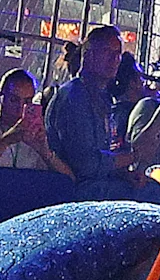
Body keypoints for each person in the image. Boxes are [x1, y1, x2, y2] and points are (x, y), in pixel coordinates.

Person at [46, 24, 128, 182]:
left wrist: (122, 174)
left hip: (97, 188)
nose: (115, 60)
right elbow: (86, 165)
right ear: (88, 56)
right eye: (107, 52)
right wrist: (132, 156)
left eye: (118, 53)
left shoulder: (103, 97)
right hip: (74, 191)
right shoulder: (74, 97)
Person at [0, 67, 71, 173]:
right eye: (14, 100)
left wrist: (45, 152)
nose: (20, 108)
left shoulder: (35, 138)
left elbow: (69, 181)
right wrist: (5, 141)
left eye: (27, 102)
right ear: (0, 98)